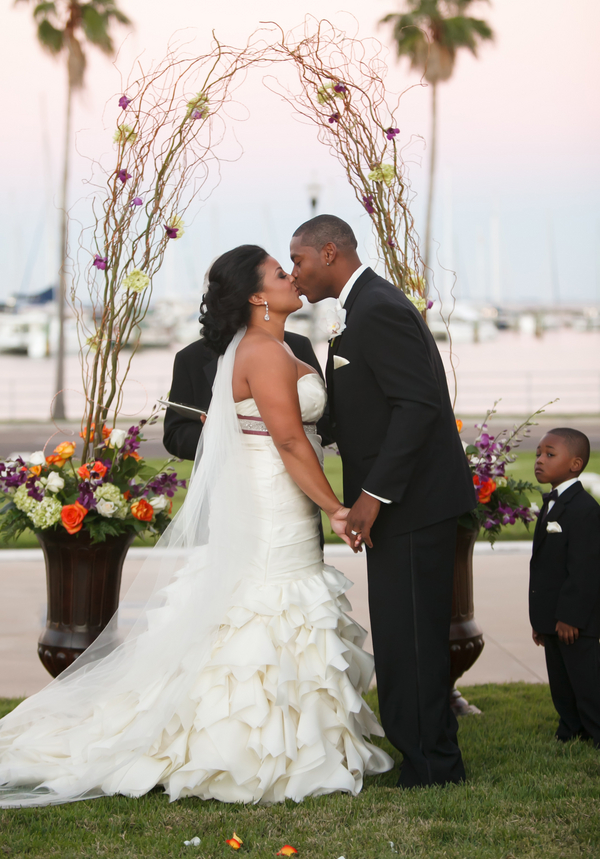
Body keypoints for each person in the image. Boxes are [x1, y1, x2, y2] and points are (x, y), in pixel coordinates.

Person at [0, 244, 392, 808]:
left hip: (285, 491)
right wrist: (335, 507)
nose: (293, 277)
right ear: (258, 295)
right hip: (270, 492)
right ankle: (243, 742)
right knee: (266, 603)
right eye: (280, 273)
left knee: (277, 600)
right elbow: (285, 439)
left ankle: (299, 737)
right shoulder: (261, 351)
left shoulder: (283, 345)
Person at [290, 215, 476, 788]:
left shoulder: (378, 308)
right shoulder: (362, 306)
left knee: (410, 639)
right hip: (404, 505)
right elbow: (373, 405)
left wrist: (371, 496)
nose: (295, 273)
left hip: (413, 504)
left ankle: (433, 767)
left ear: (329, 252)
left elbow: (418, 407)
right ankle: (426, 752)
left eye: (298, 260)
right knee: (402, 634)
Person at [530, 427, 600, 746]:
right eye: (538, 454)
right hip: (553, 616)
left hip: (574, 620)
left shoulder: (584, 510)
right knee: (560, 680)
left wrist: (570, 616)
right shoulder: (551, 504)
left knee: (585, 680)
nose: (539, 460)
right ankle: (570, 729)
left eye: (549, 454)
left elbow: (585, 569)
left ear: (575, 464)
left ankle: (595, 731)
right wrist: (542, 619)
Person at [163, 328, 328, 461]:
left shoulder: (298, 346)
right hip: (224, 479)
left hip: (293, 477)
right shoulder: (191, 357)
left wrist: (286, 438)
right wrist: (220, 434)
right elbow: (175, 435)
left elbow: (327, 419)